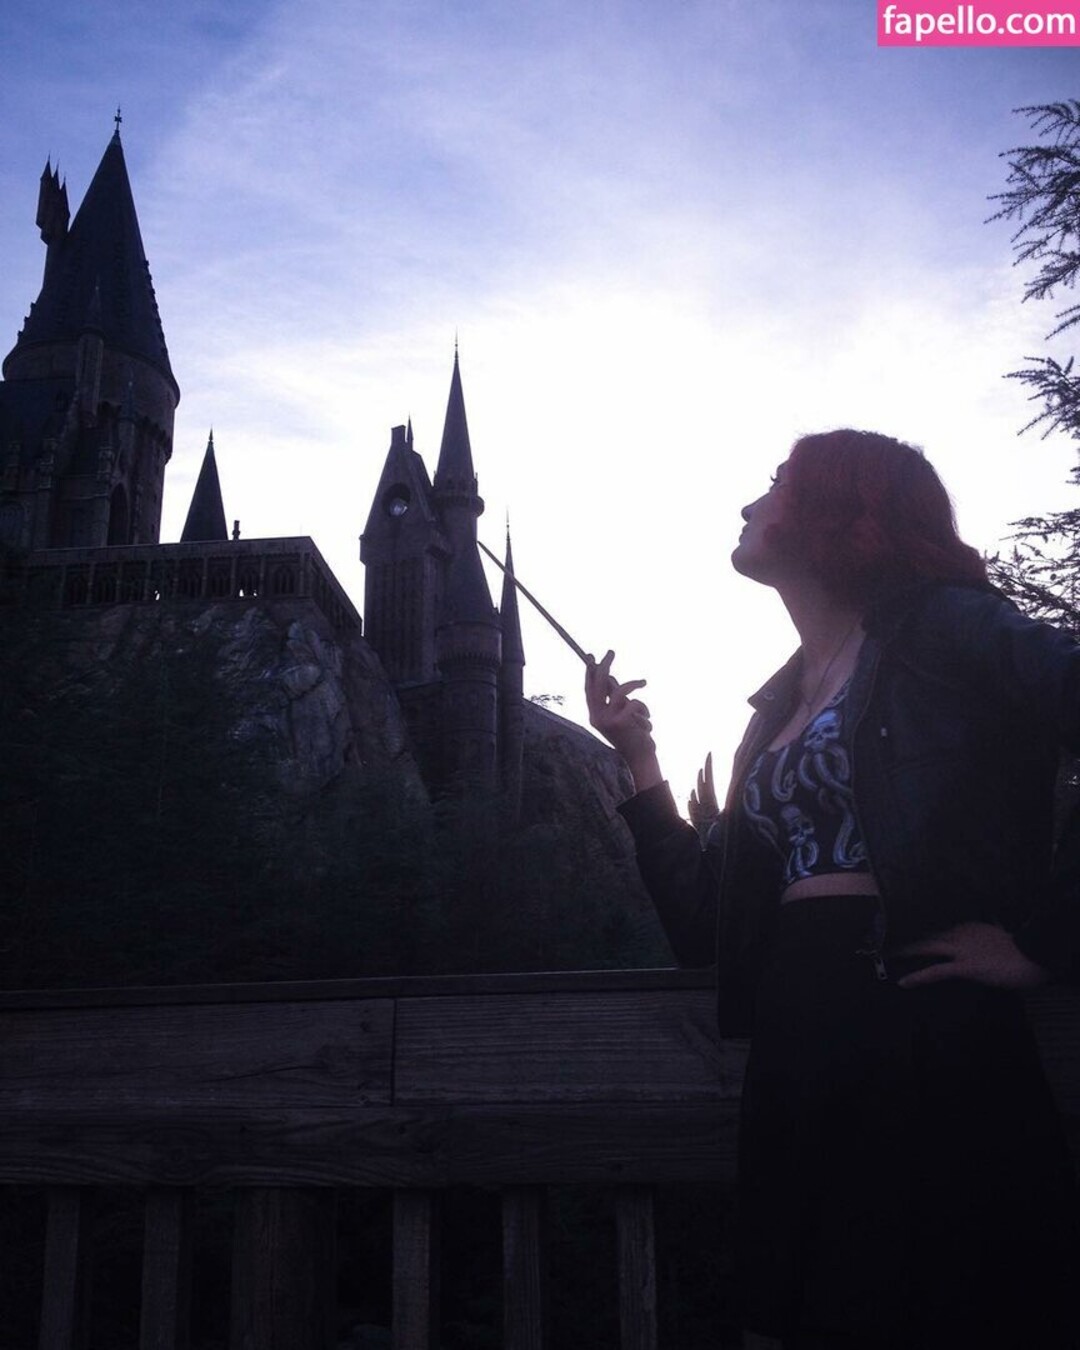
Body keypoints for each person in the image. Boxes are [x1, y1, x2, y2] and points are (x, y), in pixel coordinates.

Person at [585, 430, 1080, 1350]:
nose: (749, 504)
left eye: (777, 483)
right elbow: (703, 927)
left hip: (926, 1040)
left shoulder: (946, 626)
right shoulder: (775, 710)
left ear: (842, 511)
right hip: (794, 1053)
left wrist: (1048, 942)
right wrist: (641, 758)